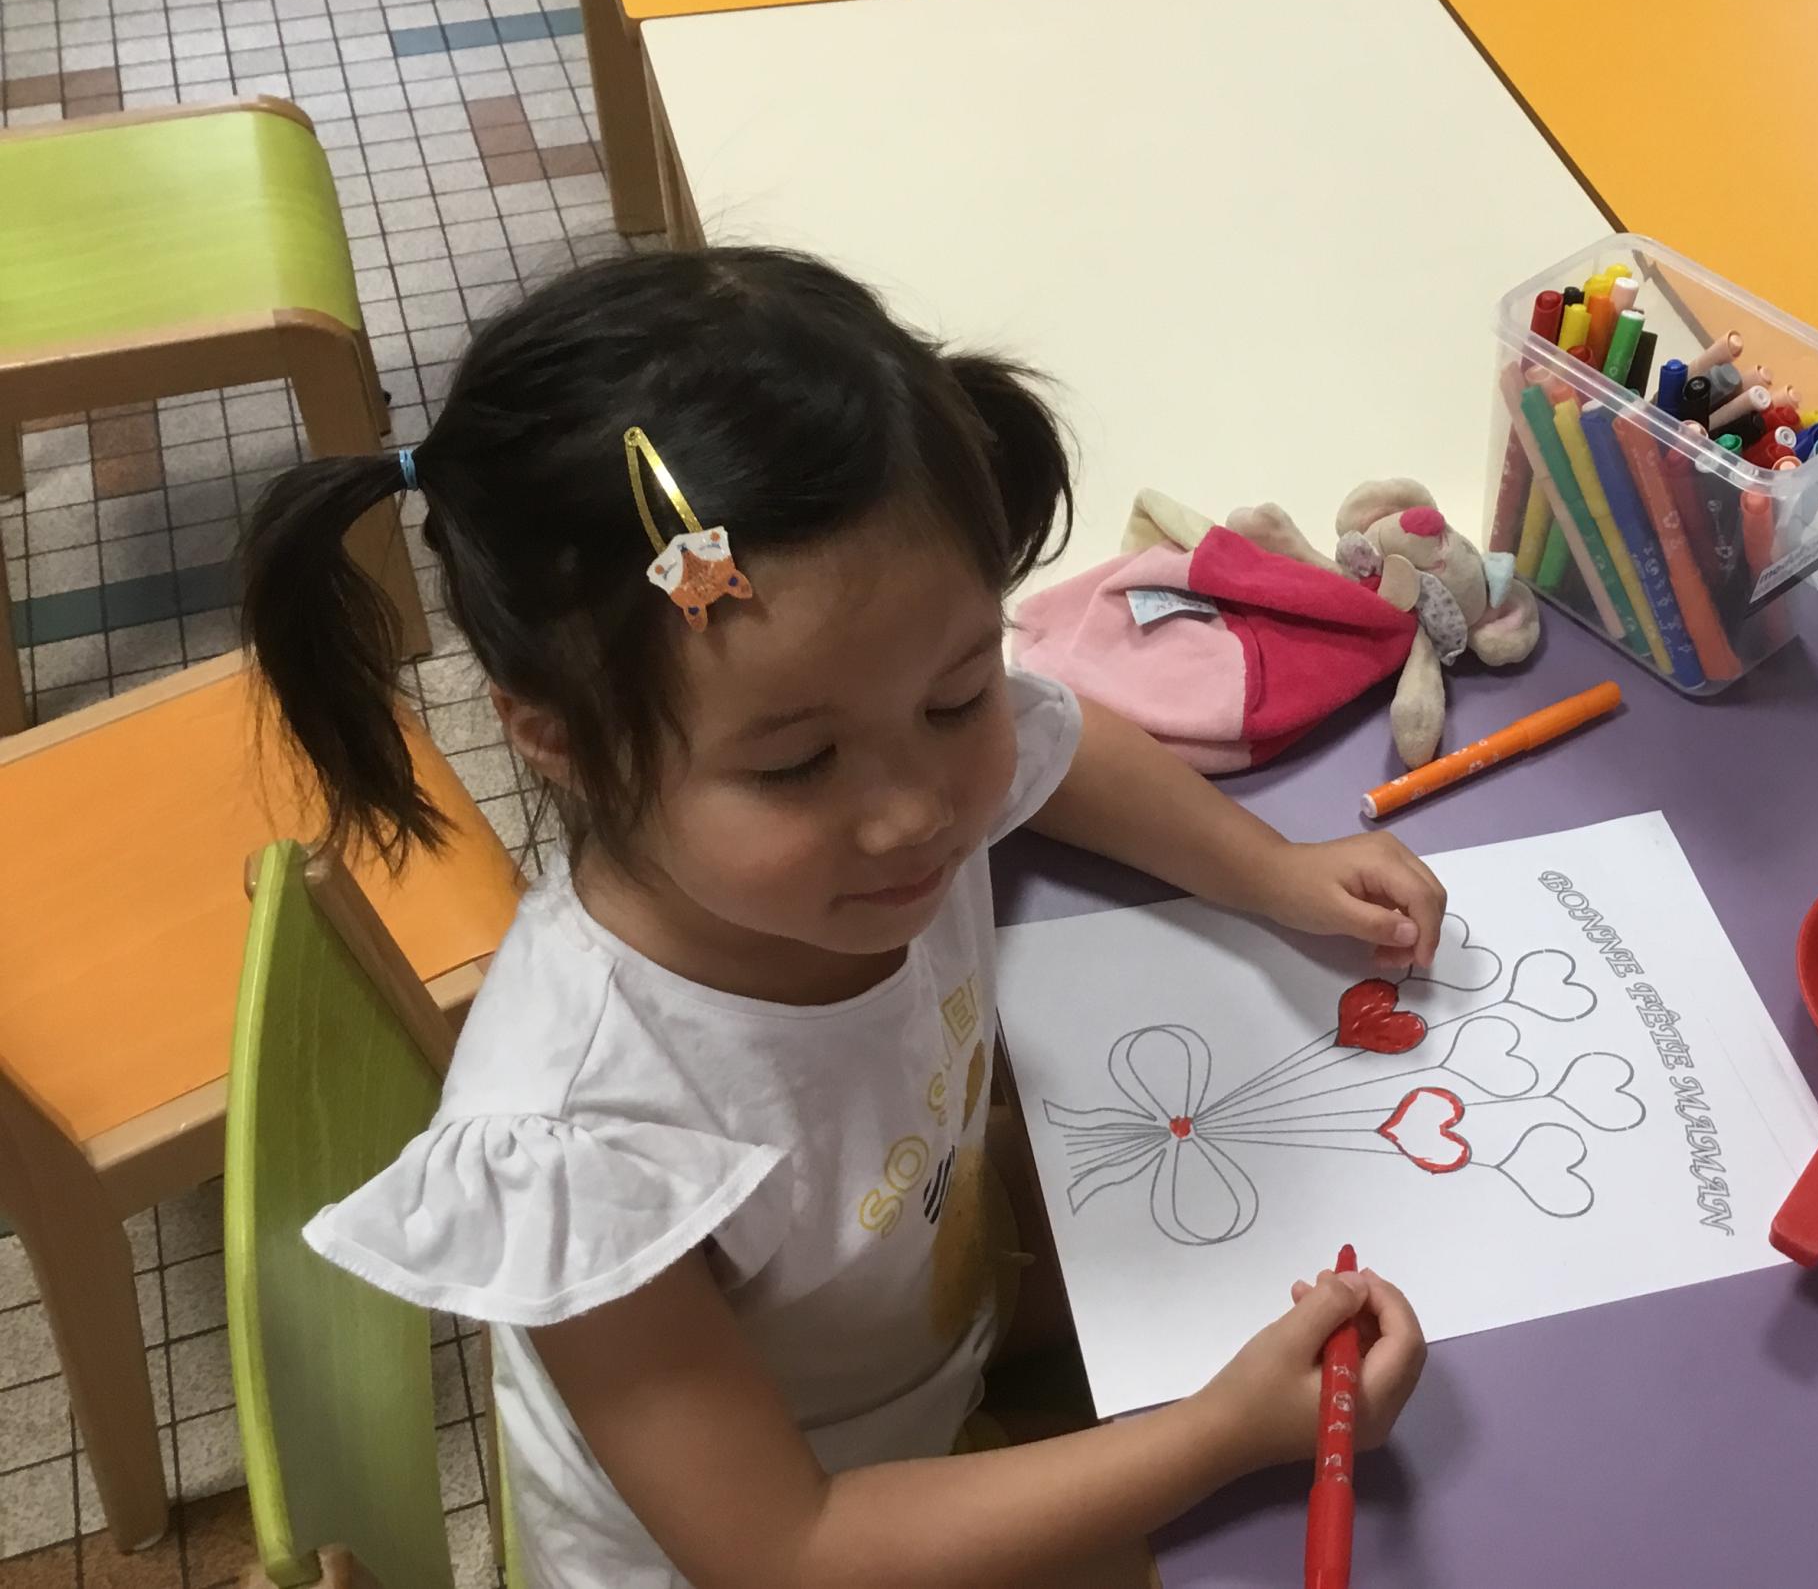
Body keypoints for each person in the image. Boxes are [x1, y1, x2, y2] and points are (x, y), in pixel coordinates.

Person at [239, 249, 1433, 1588]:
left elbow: (1060, 742)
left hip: (915, 1328)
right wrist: (1220, 1436)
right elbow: (788, 1552)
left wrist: (1272, 871)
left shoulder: (871, 774)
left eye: (954, 696)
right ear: (560, 739)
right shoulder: (587, 1139)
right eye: (798, 766)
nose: (916, 813)